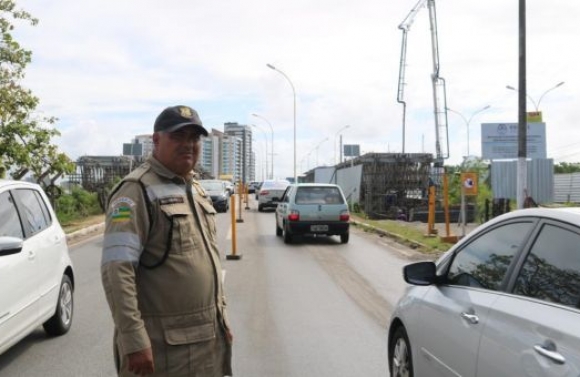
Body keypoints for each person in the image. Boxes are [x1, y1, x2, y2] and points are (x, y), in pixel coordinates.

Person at [101, 105, 233, 377]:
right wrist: (134, 340)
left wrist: (222, 321)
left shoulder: (194, 188)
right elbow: (117, 271)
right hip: (164, 349)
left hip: (206, 340)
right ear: (156, 140)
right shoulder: (135, 191)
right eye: (178, 136)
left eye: (194, 138)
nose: (188, 145)